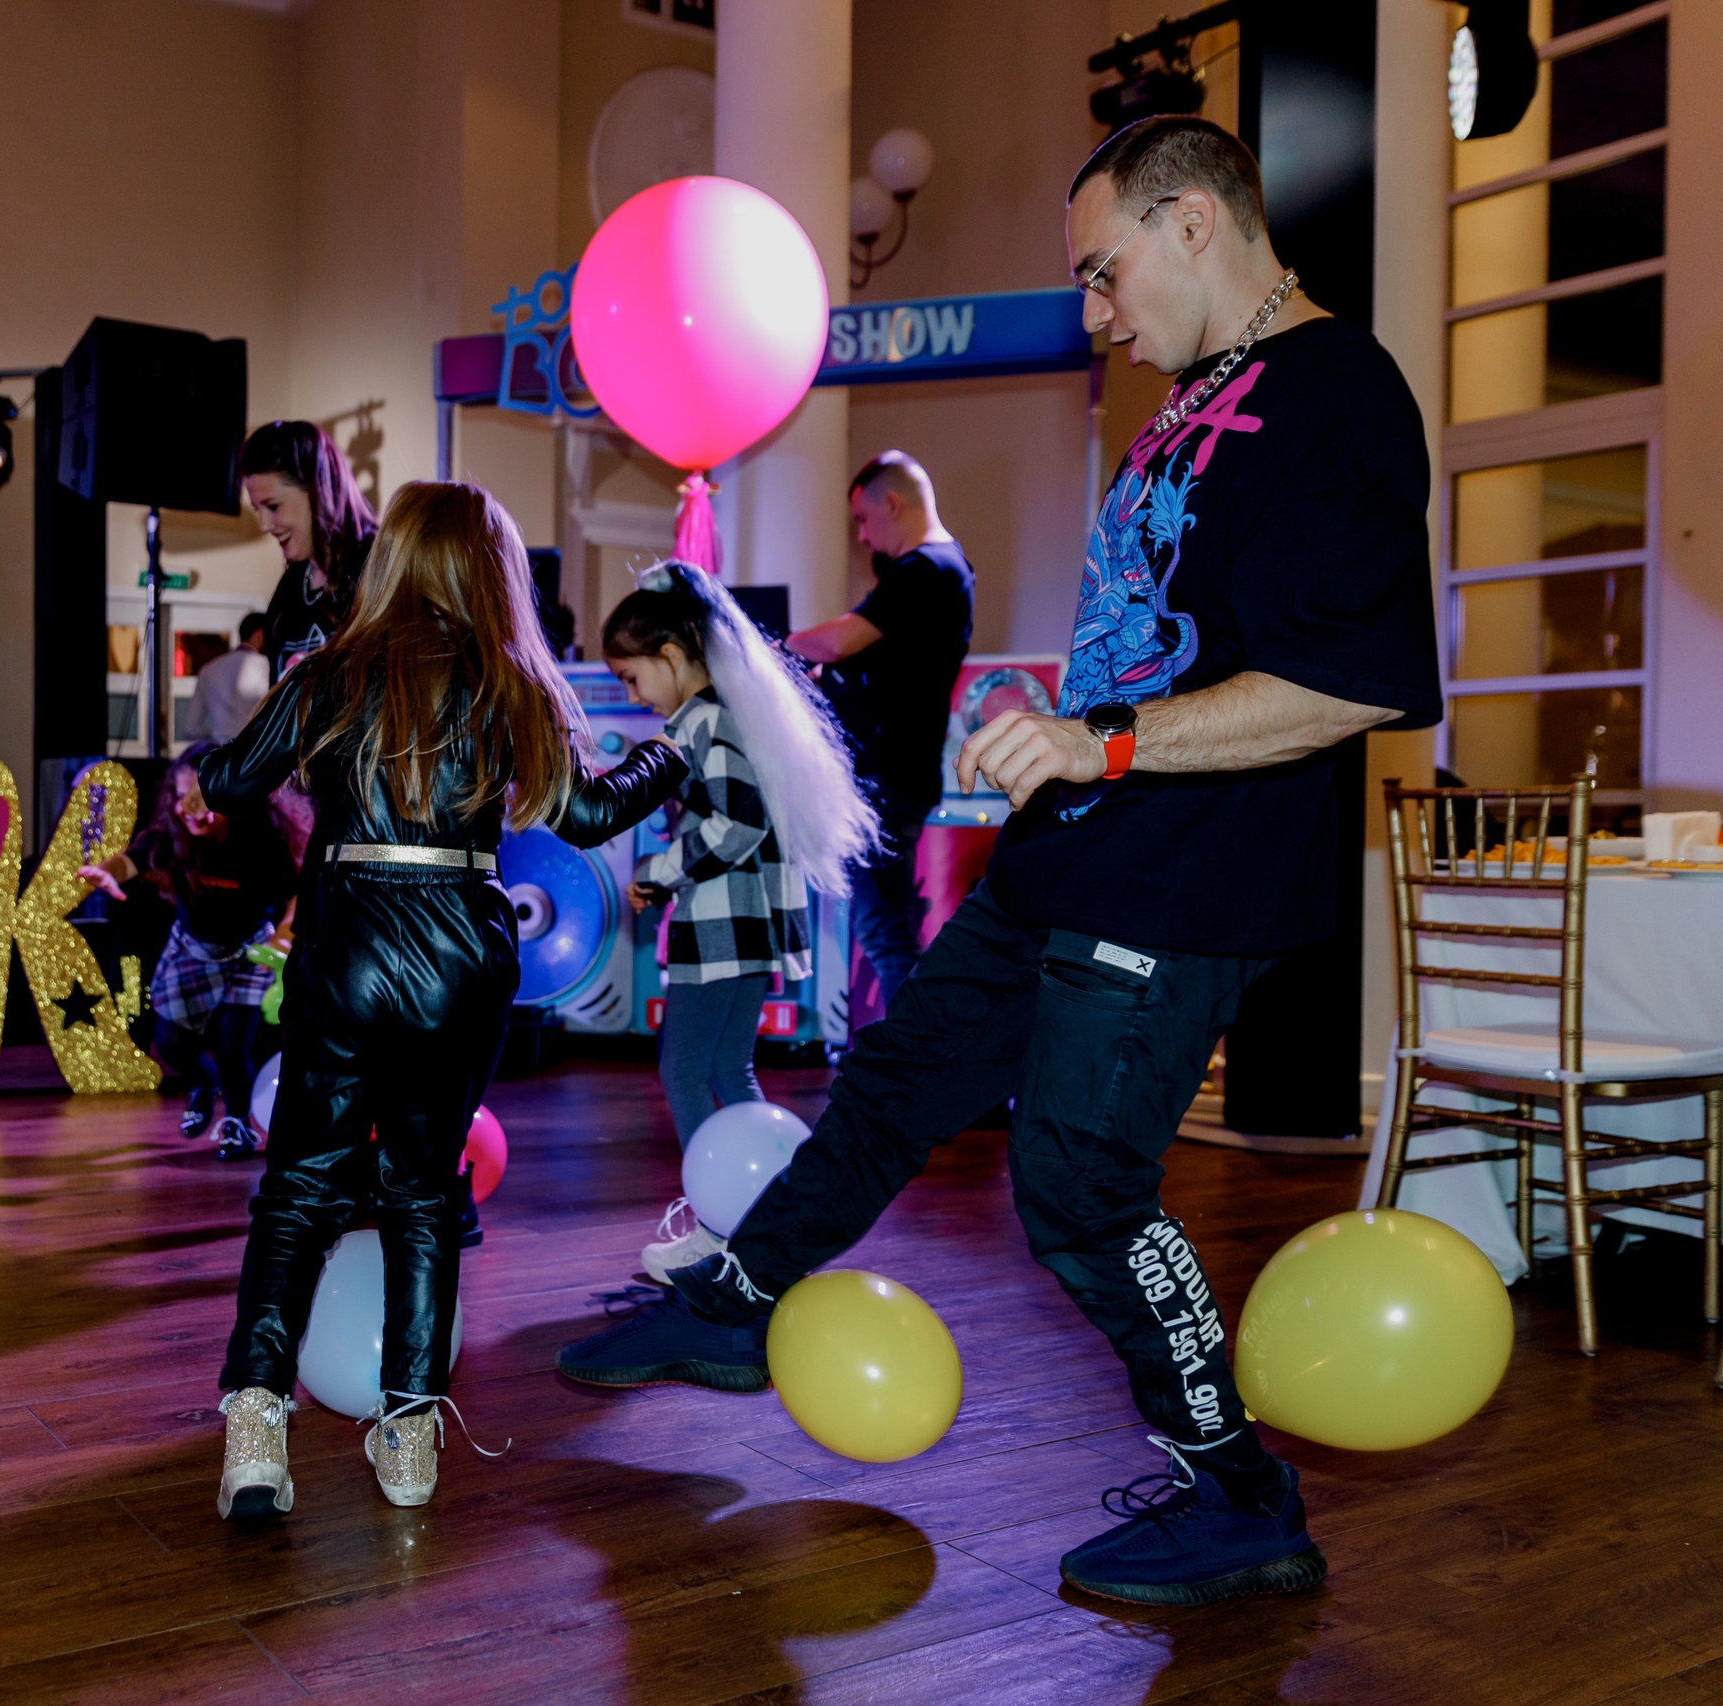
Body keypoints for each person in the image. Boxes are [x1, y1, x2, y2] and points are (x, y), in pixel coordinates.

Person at [557, 114, 1441, 1609]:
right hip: (1076, 853)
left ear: (1192, 224)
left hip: (1184, 877)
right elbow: (1162, 637)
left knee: (1083, 1184)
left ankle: (1240, 1497)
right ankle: (740, 1299)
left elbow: (1355, 677)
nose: (1098, 317)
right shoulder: (1198, 389)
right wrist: (1068, 735)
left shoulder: (1338, 391)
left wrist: (1102, 744)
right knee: (900, 1074)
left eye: (1105, 276)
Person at [199, 481, 685, 1519]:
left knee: (298, 1190)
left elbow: (233, 783)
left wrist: (249, 756)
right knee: (425, 1191)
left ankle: (254, 1424)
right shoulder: (509, 677)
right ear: (487, 567)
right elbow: (590, 813)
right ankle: (410, 1431)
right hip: (461, 938)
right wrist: (671, 752)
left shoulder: (330, 668)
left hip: (346, 936)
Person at [603, 563, 874, 1284]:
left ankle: (717, 1228)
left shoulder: (701, 722)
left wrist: (656, 874)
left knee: (685, 1069)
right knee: (726, 1067)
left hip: (724, 925)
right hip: (743, 923)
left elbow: (736, 824)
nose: (632, 697)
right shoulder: (732, 716)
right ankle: (770, 1219)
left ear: (669, 657)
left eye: (632, 679)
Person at [784, 453, 974, 1032]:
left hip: (885, 783)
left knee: (885, 933)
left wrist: (772, 648)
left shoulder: (926, 570)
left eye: (864, 519)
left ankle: (907, 1070)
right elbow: (878, 670)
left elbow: (841, 642)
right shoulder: (942, 570)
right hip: (895, 779)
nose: (862, 534)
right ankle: (911, 1067)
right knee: (887, 928)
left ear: (892, 503)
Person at [80, 741, 297, 1158]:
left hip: (246, 953)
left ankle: (237, 1124)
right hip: (191, 950)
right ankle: (203, 1082)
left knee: (234, 1048)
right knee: (173, 1044)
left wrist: (284, 933)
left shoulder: (259, 838)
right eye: (183, 799)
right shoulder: (173, 835)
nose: (193, 811)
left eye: (204, 800)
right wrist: (107, 873)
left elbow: (294, 891)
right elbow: (136, 859)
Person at [240, 421, 379, 681]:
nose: (264, 525)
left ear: (318, 491)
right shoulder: (291, 587)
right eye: (258, 510)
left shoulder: (377, 570)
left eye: (272, 506)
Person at [187, 612, 272, 741]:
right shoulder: (265, 666)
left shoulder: (208, 670)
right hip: (254, 752)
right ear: (259, 634)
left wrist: (217, 738)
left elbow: (190, 728)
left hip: (221, 753)